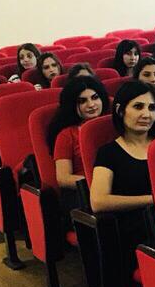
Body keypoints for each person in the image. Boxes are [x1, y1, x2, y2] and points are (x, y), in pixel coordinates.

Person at [90, 80, 155, 287]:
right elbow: (98, 201)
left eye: (152, 108)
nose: (147, 114)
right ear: (120, 110)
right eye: (138, 107)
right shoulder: (109, 152)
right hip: (134, 224)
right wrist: (151, 200)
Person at [46, 76, 109, 206]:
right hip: (85, 193)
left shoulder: (113, 124)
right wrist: (99, 183)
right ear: (72, 105)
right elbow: (63, 178)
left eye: (95, 97)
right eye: (82, 101)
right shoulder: (66, 135)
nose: (91, 104)